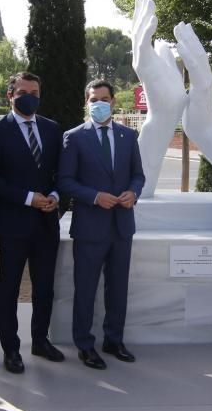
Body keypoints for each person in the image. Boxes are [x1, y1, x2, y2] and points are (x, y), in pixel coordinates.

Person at [0, 72, 65, 374]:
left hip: (46, 223)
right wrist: (29, 198)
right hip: (14, 222)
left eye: (35, 91)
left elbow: (60, 173)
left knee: (44, 287)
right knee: (9, 288)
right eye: (23, 91)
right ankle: (11, 349)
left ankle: (40, 340)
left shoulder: (52, 129)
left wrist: (55, 194)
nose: (29, 96)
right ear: (10, 95)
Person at [59, 79, 146, 369]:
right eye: (94, 99)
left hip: (122, 225)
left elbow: (138, 175)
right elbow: (66, 181)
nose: (99, 104)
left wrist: (133, 192)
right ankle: (84, 344)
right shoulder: (73, 137)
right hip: (89, 227)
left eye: (104, 99)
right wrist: (95, 197)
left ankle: (113, 339)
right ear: (87, 102)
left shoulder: (128, 136)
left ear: (113, 100)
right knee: (85, 288)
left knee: (117, 287)